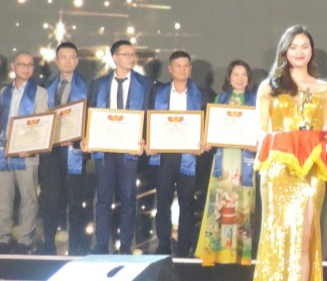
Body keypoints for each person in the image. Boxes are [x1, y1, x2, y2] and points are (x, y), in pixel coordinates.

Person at [234, 26, 327, 281]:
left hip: (311, 171)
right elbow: (261, 130)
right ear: (285, 51)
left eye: (305, 46)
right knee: (278, 237)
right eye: (294, 47)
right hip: (278, 169)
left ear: (312, 51)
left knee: (304, 239)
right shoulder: (270, 87)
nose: (300, 52)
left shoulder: (325, 90)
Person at [86, 40, 152, 254]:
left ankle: (125, 246)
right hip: (104, 149)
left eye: (133, 54)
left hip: (130, 149)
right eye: (126, 54)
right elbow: (91, 114)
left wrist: (145, 138)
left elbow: (150, 115)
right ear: (115, 57)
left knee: (128, 199)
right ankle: (101, 245)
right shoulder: (99, 84)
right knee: (103, 199)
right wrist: (88, 137)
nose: (132, 58)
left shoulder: (145, 84)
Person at [195, 60, 258, 265]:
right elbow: (213, 128)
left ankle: (239, 254)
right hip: (224, 160)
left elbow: (261, 131)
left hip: (244, 158)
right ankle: (216, 253)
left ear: (248, 79)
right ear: (229, 78)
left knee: (242, 205)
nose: (240, 79)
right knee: (220, 204)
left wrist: (257, 143)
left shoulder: (255, 101)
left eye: (243, 75)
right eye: (235, 74)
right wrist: (206, 139)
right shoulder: (219, 99)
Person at [148, 51, 207, 256]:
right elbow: (149, 120)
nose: (182, 70)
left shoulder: (202, 94)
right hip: (163, 156)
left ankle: (184, 248)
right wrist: (149, 141)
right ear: (170, 69)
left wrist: (205, 141)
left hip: (189, 156)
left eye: (186, 66)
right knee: (162, 202)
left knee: (187, 204)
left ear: (190, 69)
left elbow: (208, 125)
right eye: (178, 66)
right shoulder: (157, 93)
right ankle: (163, 245)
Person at [38, 42, 91, 255]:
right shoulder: (45, 88)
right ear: (56, 60)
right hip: (51, 153)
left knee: (76, 202)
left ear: (77, 61)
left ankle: (77, 246)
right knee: (50, 201)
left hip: (75, 151)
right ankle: (48, 245)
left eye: (72, 57)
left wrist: (81, 137)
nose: (68, 61)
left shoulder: (89, 87)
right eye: (63, 57)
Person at [0, 52, 50, 254]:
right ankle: (3, 238)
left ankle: (25, 240)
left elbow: (42, 124)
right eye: (21, 64)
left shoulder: (40, 93)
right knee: (3, 198)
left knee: (29, 198)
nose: (26, 68)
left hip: (27, 153)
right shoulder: (3, 92)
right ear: (14, 66)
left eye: (30, 65)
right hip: (4, 152)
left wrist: (29, 146)